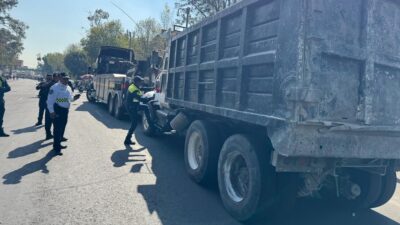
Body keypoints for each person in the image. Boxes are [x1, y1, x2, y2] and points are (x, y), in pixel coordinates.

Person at [47, 73, 80, 155]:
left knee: (62, 127)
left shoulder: (68, 87)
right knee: (57, 129)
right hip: (57, 109)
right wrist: (51, 111)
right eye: (64, 78)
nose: (66, 80)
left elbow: (69, 99)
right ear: (60, 78)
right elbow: (50, 101)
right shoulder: (54, 88)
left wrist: (74, 98)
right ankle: (56, 147)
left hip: (65, 110)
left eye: (67, 78)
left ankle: (59, 143)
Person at [124, 76, 145, 145]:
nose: (141, 83)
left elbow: (140, 91)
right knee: (134, 123)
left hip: (134, 105)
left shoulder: (134, 86)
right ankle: (127, 139)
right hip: (131, 107)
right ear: (136, 82)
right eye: (140, 81)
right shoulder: (133, 88)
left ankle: (151, 122)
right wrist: (146, 99)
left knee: (146, 108)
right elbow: (138, 97)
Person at [44, 73, 59, 139]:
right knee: (54, 122)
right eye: (58, 77)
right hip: (52, 105)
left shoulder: (50, 84)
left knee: (48, 121)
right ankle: (56, 136)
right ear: (54, 78)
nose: (58, 79)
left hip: (49, 104)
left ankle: (48, 134)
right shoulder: (53, 85)